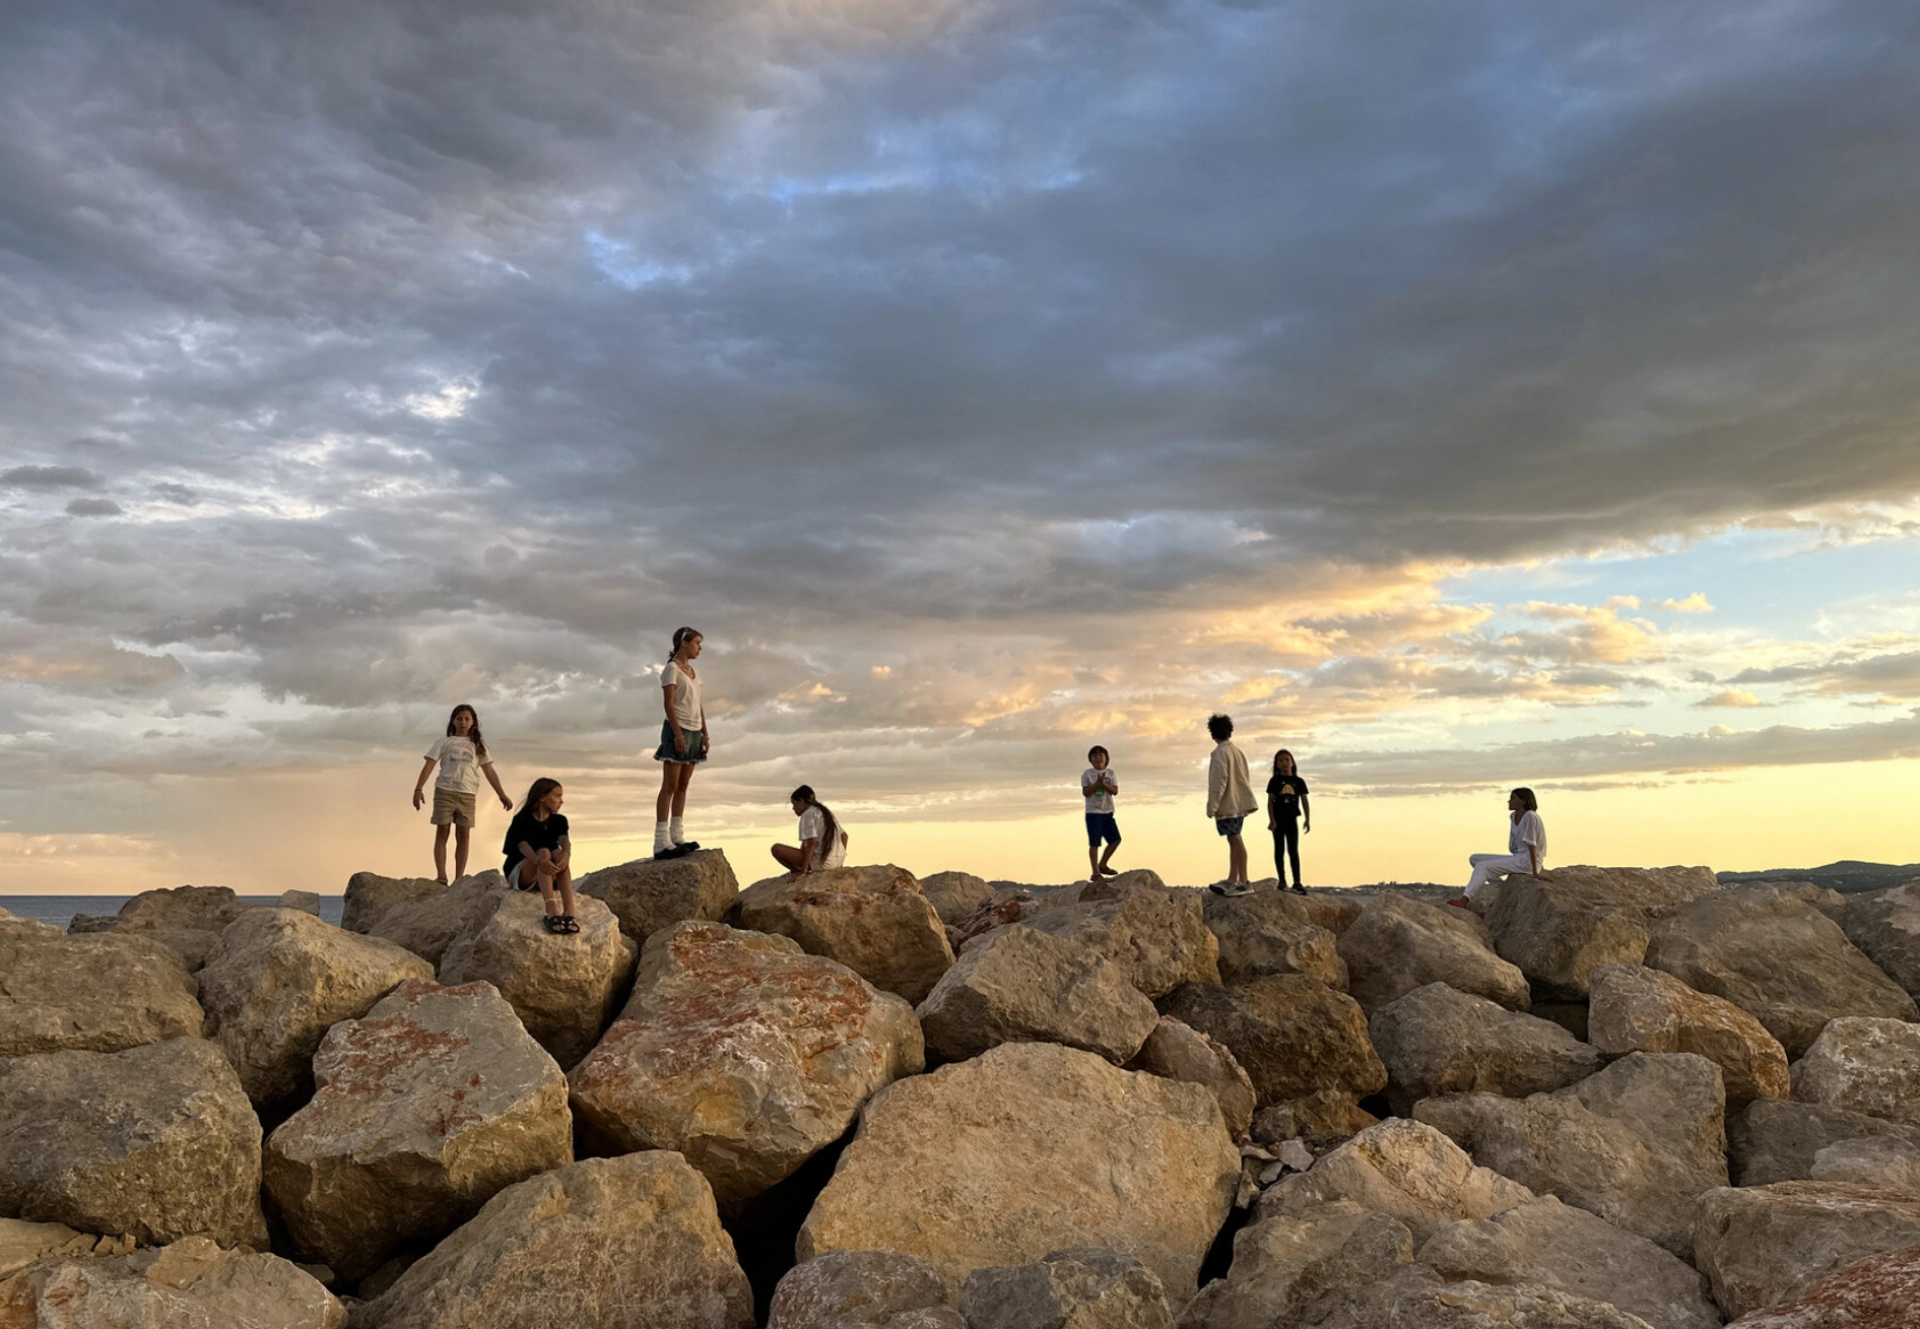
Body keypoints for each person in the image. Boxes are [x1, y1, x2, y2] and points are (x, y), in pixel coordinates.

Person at [411, 704, 512, 883]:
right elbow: (429, 765)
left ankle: (459, 878)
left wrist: (501, 794)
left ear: (473, 722)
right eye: (459, 719)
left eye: (467, 719)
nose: (463, 722)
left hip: (467, 794)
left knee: (463, 836)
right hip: (445, 791)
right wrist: (418, 789)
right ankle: (441, 875)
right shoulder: (444, 742)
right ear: (453, 721)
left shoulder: (478, 746)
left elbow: (489, 770)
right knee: (443, 831)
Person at [653, 626, 709, 859]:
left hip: (695, 730)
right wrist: (676, 734)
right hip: (678, 729)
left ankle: (677, 835)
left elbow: (698, 704)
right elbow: (668, 703)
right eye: (696, 643)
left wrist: (705, 733)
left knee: (683, 785)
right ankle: (660, 840)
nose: (699, 647)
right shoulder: (671, 670)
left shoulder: (695, 672)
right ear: (684, 643)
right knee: (670, 785)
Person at [1453, 787, 1549, 909]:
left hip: (1528, 861)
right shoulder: (1513, 816)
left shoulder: (1530, 816)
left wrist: (1535, 872)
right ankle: (1503, 888)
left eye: (1513, 798)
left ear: (1523, 801)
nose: (1509, 801)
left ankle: (1464, 900)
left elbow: (1532, 844)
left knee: (1483, 866)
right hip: (1518, 857)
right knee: (1475, 859)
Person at [502, 777, 577, 934]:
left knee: (558, 853)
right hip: (522, 872)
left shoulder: (559, 820)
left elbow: (564, 839)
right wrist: (538, 861)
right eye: (557, 796)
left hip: (546, 875)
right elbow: (522, 845)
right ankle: (551, 911)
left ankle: (569, 911)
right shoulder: (522, 819)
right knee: (544, 852)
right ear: (542, 797)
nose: (561, 801)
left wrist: (567, 854)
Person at [1205, 714, 1259, 896]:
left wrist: (1212, 806)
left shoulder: (1220, 753)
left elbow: (1219, 780)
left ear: (1213, 733)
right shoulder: (1237, 751)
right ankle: (1233, 878)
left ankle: (1243, 881)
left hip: (1229, 804)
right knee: (1233, 839)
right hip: (1238, 802)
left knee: (1235, 839)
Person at [771, 785, 848, 879]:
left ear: (802, 802)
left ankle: (797, 871)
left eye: (794, 804)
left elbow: (811, 843)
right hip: (837, 862)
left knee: (776, 849)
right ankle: (803, 869)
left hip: (821, 863)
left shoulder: (808, 814)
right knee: (804, 843)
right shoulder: (825, 812)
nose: (793, 808)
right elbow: (844, 836)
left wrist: (803, 872)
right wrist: (839, 860)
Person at [1266, 749, 1312, 894]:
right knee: (1279, 850)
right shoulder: (1274, 781)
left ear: (1292, 762)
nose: (1284, 763)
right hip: (1278, 820)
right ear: (1276, 765)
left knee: (1293, 850)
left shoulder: (1299, 782)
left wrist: (1307, 819)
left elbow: (1304, 800)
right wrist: (1272, 820)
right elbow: (1270, 802)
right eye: (1281, 760)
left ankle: (1297, 881)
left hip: (1292, 819)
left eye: (1287, 759)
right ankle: (1282, 880)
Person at [1081, 745, 1122, 880]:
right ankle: (1095, 872)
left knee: (1115, 840)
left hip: (1108, 811)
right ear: (1091, 760)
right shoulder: (1087, 774)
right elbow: (1086, 793)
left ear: (1106, 758)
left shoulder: (1111, 773)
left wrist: (1104, 784)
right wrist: (1097, 783)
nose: (1098, 758)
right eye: (1094, 756)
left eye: (1100, 755)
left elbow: (1115, 791)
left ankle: (1102, 864)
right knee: (1095, 843)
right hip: (1093, 813)